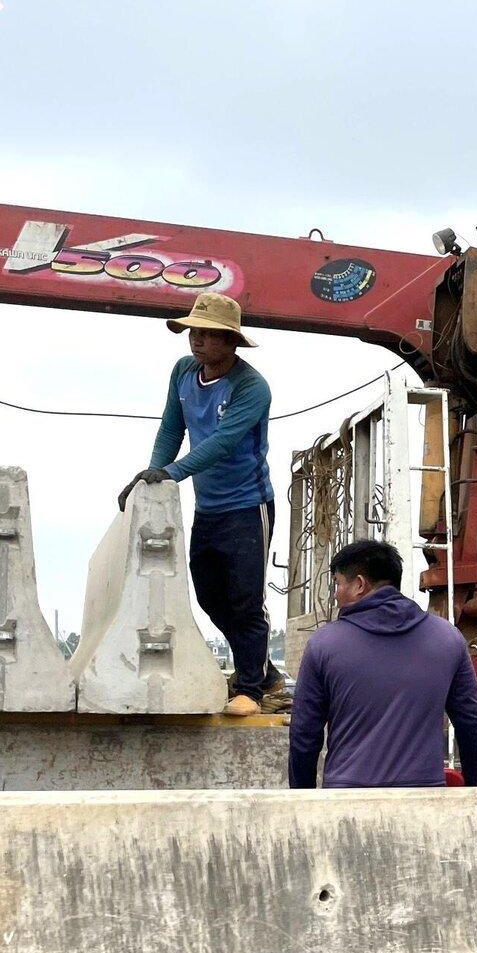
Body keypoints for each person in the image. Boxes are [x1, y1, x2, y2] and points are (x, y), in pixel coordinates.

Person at [121, 292, 279, 719]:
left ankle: (251, 686)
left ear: (231, 342)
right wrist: (154, 475)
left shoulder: (251, 387)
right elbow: (172, 428)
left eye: (210, 335)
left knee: (246, 599)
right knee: (210, 595)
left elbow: (223, 444)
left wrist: (172, 473)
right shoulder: (183, 373)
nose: (199, 341)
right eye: (195, 332)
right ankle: (262, 669)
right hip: (208, 507)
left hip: (248, 506)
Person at [288, 538, 477, 790]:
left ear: (359, 584)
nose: (335, 595)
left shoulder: (324, 644)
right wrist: (472, 786)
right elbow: (470, 720)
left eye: (337, 584)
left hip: (346, 797)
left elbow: (304, 735)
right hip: (424, 796)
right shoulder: (447, 638)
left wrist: (302, 798)